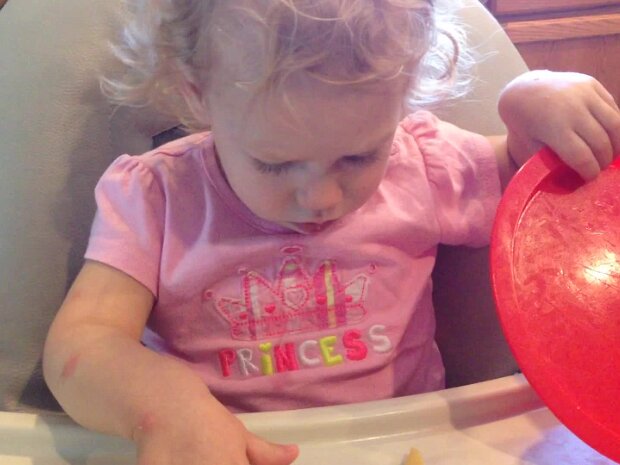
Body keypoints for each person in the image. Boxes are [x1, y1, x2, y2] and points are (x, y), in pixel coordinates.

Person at [42, 1, 620, 464]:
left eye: (358, 156)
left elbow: (541, 200)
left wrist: (532, 100)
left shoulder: (423, 165)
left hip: (405, 444)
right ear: (197, 92)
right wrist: (161, 409)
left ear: (402, 92)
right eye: (274, 163)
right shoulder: (156, 197)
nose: (321, 198)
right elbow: (85, 339)